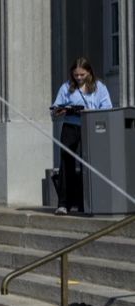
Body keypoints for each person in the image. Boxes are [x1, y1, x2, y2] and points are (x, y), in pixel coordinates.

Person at [50, 57, 112, 215]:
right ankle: (64, 203)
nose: (78, 78)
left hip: (90, 125)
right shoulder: (66, 87)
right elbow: (55, 108)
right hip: (71, 126)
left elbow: (107, 108)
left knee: (89, 163)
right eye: (76, 75)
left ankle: (87, 202)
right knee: (66, 162)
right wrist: (61, 110)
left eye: (82, 75)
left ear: (89, 72)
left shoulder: (99, 87)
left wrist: (90, 111)